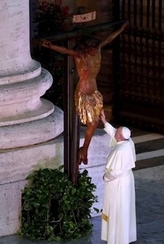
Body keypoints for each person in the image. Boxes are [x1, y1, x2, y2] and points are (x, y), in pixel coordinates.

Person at [40, 21, 129, 165]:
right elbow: (64, 51)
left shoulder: (98, 49)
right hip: (83, 91)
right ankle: (84, 150)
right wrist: (50, 46)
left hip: (94, 90)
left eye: (95, 48)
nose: (94, 51)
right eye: (91, 49)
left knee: (94, 123)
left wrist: (121, 29)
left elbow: (109, 38)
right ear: (86, 49)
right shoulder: (80, 55)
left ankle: (84, 149)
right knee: (92, 123)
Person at [99, 109, 137, 244]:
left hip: (118, 183)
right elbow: (115, 133)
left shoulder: (121, 151)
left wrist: (105, 177)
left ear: (120, 137)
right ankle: (123, 236)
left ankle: (117, 238)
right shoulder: (128, 141)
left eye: (117, 132)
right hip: (126, 180)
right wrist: (104, 122)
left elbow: (115, 172)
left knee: (117, 209)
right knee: (124, 209)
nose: (115, 132)